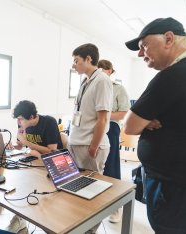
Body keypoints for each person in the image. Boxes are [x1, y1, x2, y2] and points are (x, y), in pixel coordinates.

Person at [124, 17, 186, 233]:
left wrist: (143, 121)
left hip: (171, 186)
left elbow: (130, 126)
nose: (141, 54)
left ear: (168, 39)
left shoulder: (172, 75)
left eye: (144, 46)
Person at [0, 100, 62, 233]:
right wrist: (11, 145)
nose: (19, 122)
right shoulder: (22, 124)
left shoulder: (49, 122)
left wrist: (28, 143)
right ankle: (0, 202)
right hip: (33, 161)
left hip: (51, 165)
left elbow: (52, 150)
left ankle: (19, 219)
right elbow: (20, 145)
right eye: (18, 119)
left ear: (32, 117)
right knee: (11, 171)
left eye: (21, 119)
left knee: (25, 181)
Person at [68, 43, 112, 234]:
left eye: (76, 60)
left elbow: (103, 118)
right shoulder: (86, 81)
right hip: (78, 143)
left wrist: (94, 147)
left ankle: (90, 231)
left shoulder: (102, 80)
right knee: (78, 192)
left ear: (88, 59)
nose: (74, 65)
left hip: (89, 146)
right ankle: (79, 227)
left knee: (92, 194)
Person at [97, 59, 130, 223]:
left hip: (111, 127)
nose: (101, 71)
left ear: (110, 71)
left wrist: (104, 117)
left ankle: (115, 207)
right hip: (92, 127)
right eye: (99, 68)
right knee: (93, 167)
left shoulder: (118, 88)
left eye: (104, 69)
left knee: (111, 165)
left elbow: (123, 113)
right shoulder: (92, 86)